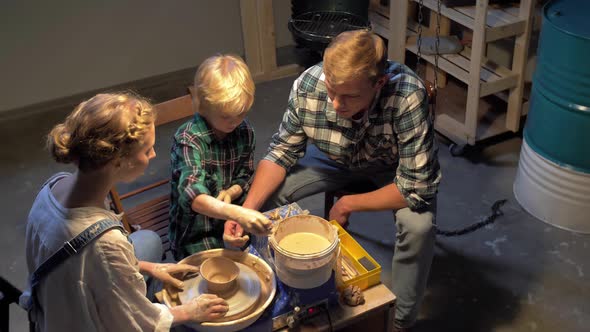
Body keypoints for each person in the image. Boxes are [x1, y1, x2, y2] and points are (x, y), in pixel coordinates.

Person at [242, 30, 442, 331]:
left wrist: (349, 203)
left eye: (349, 96)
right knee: (269, 200)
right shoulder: (309, 84)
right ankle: (281, 289)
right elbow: (281, 153)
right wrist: (246, 209)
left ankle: (397, 320)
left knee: (419, 226)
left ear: (379, 84)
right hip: (331, 158)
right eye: (332, 90)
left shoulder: (407, 95)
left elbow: (416, 187)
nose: (336, 104)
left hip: (391, 167)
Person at [21, 93, 229, 331]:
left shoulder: (54, 186)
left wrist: (150, 267)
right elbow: (132, 323)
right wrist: (187, 311)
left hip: (58, 296)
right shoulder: (106, 244)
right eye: (147, 149)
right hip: (79, 321)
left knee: (148, 240)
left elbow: (89, 262)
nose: (153, 155)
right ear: (118, 161)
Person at [169, 54, 272, 261]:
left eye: (241, 114)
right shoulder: (189, 139)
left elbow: (244, 177)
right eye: (226, 116)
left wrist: (231, 193)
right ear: (204, 106)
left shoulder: (245, 131)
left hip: (231, 213)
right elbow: (193, 196)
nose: (234, 122)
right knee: (215, 273)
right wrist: (235, 213)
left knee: (264, 258)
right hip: (195, 229)